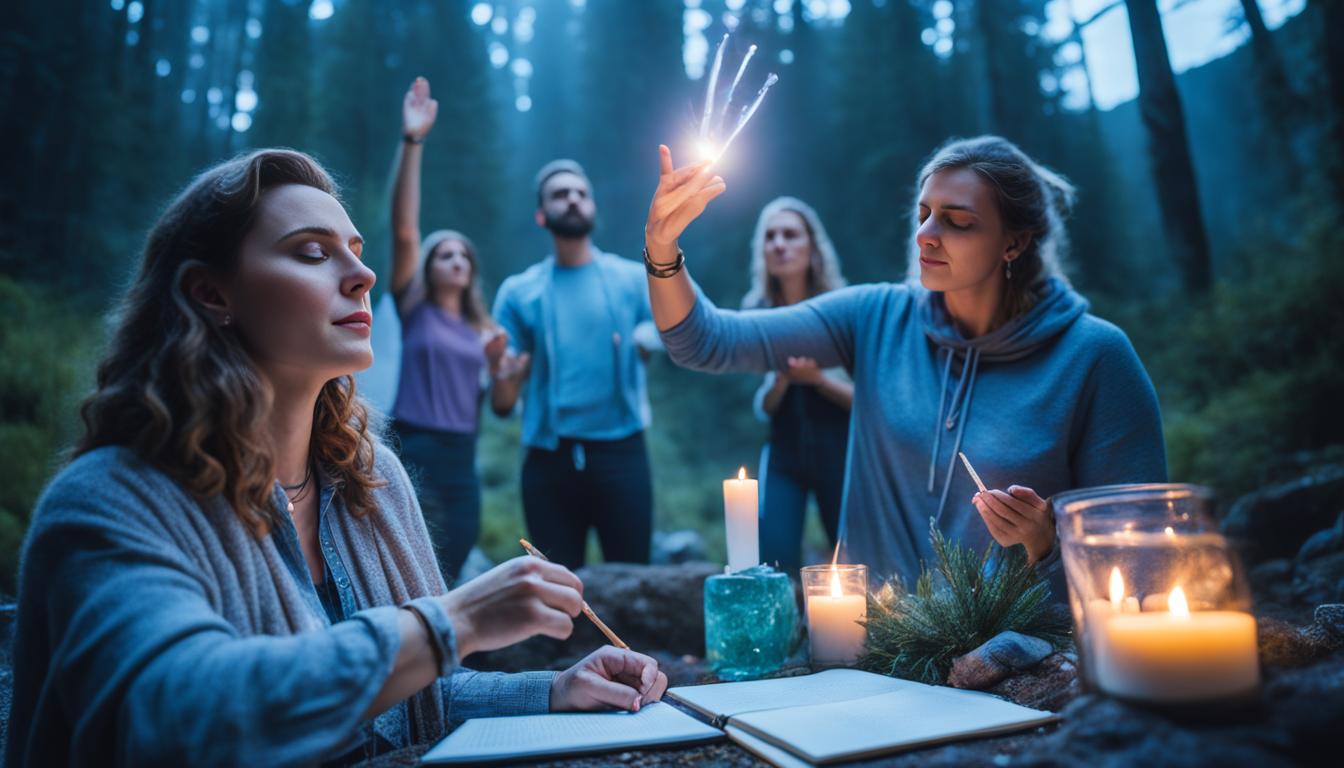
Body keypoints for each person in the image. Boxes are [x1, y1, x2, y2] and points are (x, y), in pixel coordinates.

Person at [3, 149, 668, 767]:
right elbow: (180, 718)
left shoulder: (371, 484)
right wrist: (455, 620)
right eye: (312, 253)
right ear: (213, 294)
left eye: (355, 249)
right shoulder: (113, 501)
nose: (362, 275)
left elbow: (413, 697)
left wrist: (553, 690)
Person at [641, 136, 1167, 598]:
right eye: (923, 215)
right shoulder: (876, 317)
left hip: (1010, 669)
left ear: (1015, 241)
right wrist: (662, 248)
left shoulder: (1094, 357)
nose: (926, 234)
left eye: (957, 221)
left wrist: (1045, 540)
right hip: (868, 652)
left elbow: (1138, 564)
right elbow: (704, 342)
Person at [490, 159, 662, 569]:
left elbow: (667, 326)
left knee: (632, 580)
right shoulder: (519, 292)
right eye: (560, 194)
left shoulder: (632, 280)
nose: (572, 200)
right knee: (556, 592)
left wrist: (646, 338)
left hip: (622, 451)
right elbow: (501, 404)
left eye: (580, 194)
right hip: (549, 460)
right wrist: (506, 376)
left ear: (593, 208)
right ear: (541, 214)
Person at [386, 77, 516, 582]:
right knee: (409, 561)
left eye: (464, 254)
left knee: (457, 554)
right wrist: (413, 140)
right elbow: (404, 230)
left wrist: (505, 369)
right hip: (413, 447)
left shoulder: (485, 329)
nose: (456, 259)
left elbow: (502, 400)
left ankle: (450, 658)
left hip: (464, 455)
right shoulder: (413, 304)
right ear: (428, 265)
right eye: (444, 253)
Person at [743, 197, 852, 575]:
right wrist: (783, 380)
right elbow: (763, 407)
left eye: (790, 235)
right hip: (784, 453)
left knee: (851, 560)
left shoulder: (842, 308)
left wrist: (817, 380)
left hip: (840, 452)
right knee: (774, 562)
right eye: (770, 237)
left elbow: (867, 401)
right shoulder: (756, 311)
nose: (779, 244)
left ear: (812, 246)